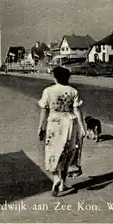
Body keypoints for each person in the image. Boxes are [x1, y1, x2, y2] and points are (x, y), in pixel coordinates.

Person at [37, 66, 86, 197]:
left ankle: (56, 179)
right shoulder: (73, 91)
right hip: (69, 123)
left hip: (54, 122)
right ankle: (63, 183)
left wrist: (40, 127)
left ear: (55, 77)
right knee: (66, 152)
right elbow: (77, 110)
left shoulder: (48, 91)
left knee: (52, 151)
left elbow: (44, 110)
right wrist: (82, 127)